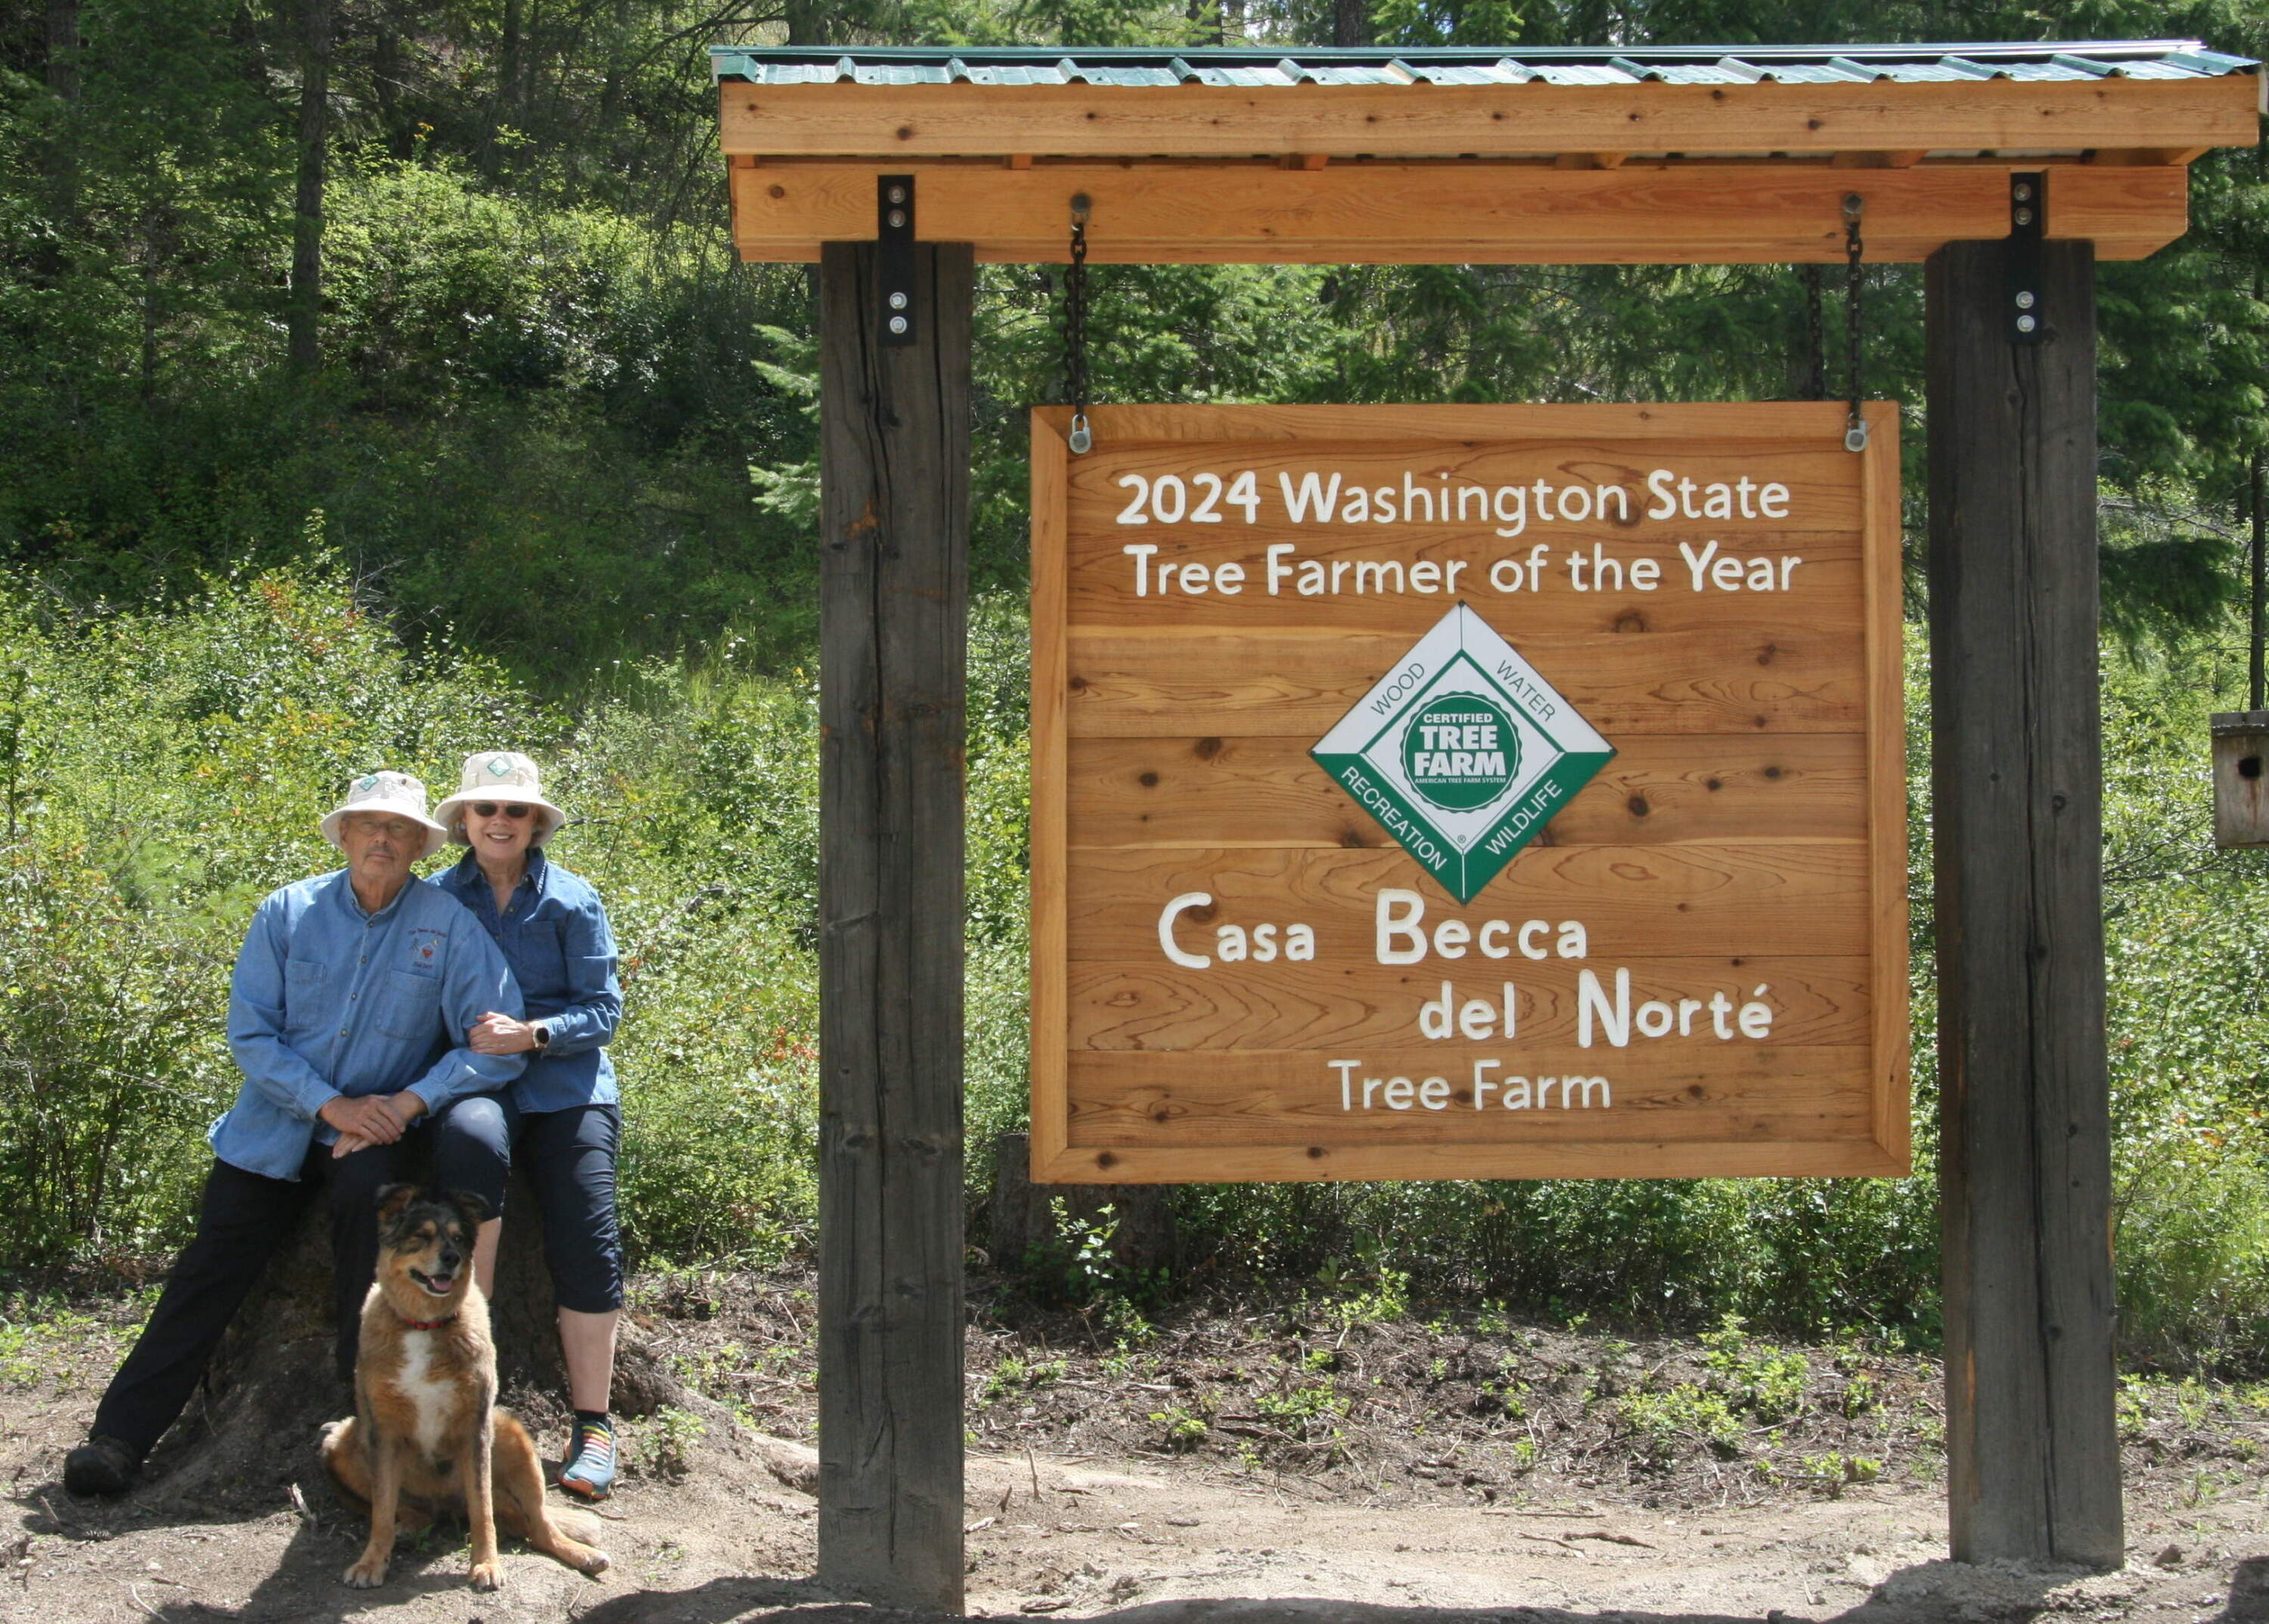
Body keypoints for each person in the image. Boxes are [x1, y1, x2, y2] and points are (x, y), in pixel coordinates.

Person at [63, 772, 526, 1496]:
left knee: (365, 1259)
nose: (382, 839)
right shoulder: (288, 911)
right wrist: (328, 1104)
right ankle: (119, 1438)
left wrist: (408, 1101)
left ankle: (368, 1446)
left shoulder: (446, 923)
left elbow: (496, 1039)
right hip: (273, 1128)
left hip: (376, 1135)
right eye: (368, 825)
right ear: (342, 833)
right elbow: (250, 1033)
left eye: (399, 829)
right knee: (210, 1264)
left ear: (420, 843)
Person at [426, 751, 627, 1501]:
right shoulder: (440, 900)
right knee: (469, 1161)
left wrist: (533, 1033)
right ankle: (469, 1397)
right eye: (485, 810)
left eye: (515, 810)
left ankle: (594, 1424)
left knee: (588, 1229)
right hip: (478, 1084)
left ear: (536, 821)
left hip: (568, 1085)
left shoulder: (574, 900)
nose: (500, 821)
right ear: (464, 822)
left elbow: (603, 1010)